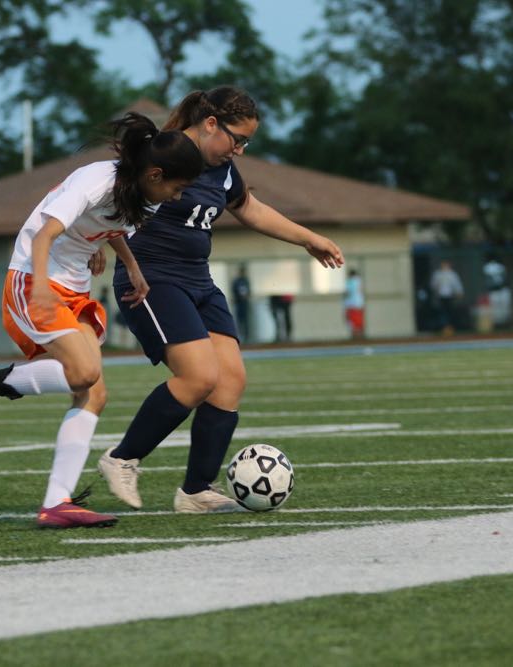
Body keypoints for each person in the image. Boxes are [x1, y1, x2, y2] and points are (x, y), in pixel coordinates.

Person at [98, 86, 344, 513]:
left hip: (199, 282)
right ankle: (122, 458)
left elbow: (250, 209)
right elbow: (101, 203)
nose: (241, 150)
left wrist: (310, 239)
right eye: (238, 138)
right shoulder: (162, 155)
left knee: (230, 380)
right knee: (198, 377)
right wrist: (87, 252)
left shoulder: (223, 170)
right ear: (211, 124)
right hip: (151, 280)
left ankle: (195, 492)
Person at [0, 113, 203, 529]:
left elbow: (115, 225)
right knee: (84, 373)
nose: (177, 197)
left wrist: (131, 266)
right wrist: (38, 286)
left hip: (74, 284)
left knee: (94, 394)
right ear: (155, 173)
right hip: (35, 277)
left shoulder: (149, 193)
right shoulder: (98, 181)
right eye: (177, 187)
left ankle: (56, 503)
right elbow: (45, 233)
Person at [430, 260, 464, 335]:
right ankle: (443, 327)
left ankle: (450, 327)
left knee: (450, 311)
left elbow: (456, 284)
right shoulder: (437, 274)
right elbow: (433, 285)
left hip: (450, 296)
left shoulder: (452, 274)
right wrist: (436, 288)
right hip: (441, 296)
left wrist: (459, 292)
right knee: (442, 312)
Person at [230, 264, 251, 340]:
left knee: (246, 320)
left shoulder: (246, 281)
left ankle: (247, 336)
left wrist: (246, 297)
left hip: (245, 303)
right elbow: (234, 291)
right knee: (239, 320)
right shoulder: (236, 281)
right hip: (239, 303)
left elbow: (249, 291)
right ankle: (240, 335)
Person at [344, 268, 365, 339]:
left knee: (352, 321)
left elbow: (347, 292)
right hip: (359, 304)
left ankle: (355, 335)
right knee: (358, 321)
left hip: (352, 305)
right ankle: (359, 335)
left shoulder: (350, 281)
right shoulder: (359, 281)